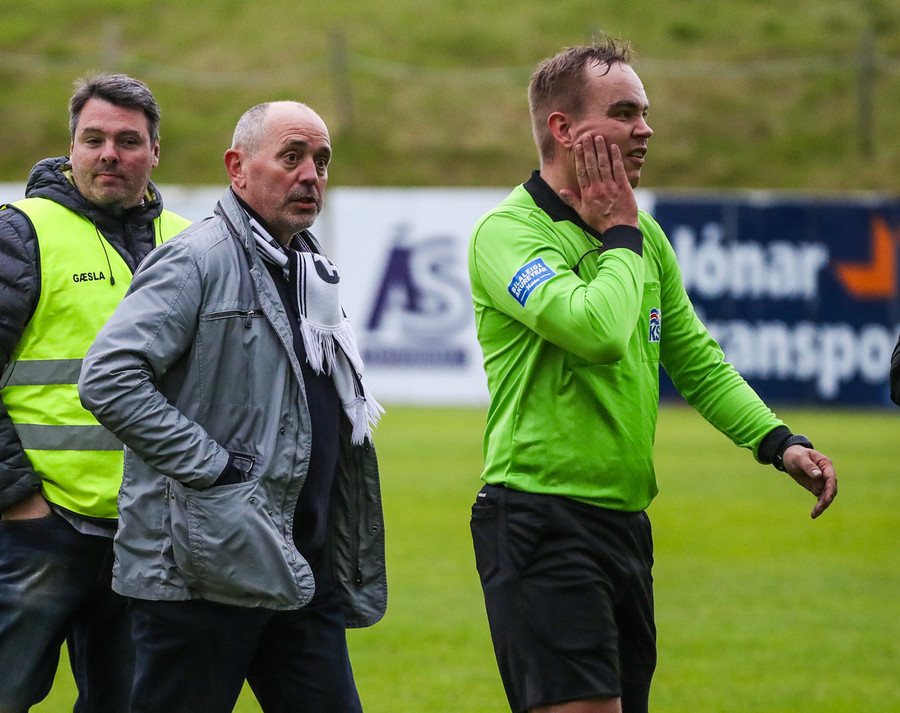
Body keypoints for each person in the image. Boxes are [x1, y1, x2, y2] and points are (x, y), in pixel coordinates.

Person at [467, 38, 838, 713]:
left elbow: (696, 360)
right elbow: (598, 333)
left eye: (645, 113)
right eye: (624, 113)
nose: (645, 130)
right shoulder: (509, 232)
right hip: (538, 515)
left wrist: (779, 442)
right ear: (563, 128)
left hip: (625, 523)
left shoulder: (643, 237)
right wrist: (619, 232)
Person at [78, 100, 386, 713]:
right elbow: (109, 378)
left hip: (297, 566)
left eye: (321, 161)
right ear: (237, 167)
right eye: (291, 157)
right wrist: (217, 470)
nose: (310, 175)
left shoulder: (309, 268)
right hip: (203, 571)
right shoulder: (196, 258)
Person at [0, 74, 190, 712]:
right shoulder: (20, 234)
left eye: (128, 141)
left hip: (149, 534)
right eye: (94, 139)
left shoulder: (189, 243)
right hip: (38, 528)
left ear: (155, 152)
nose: (110, 153)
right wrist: (16, 498)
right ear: (71, 147)